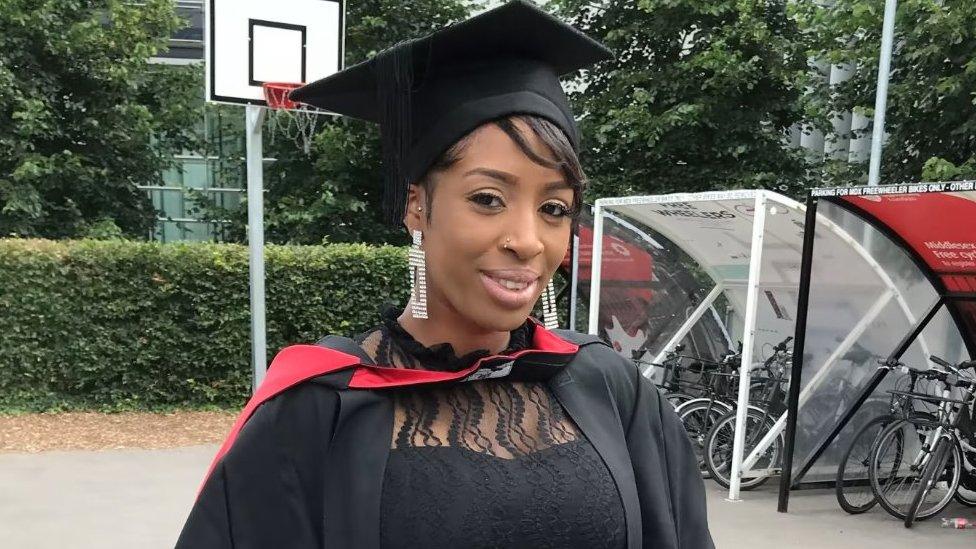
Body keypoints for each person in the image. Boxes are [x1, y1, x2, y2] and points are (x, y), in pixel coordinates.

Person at [176, 2, 713, 548]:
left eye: (554, 208)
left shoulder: (612, 390)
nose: (527, 239)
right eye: (488, 199)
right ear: (417, 206)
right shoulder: (316, 409)